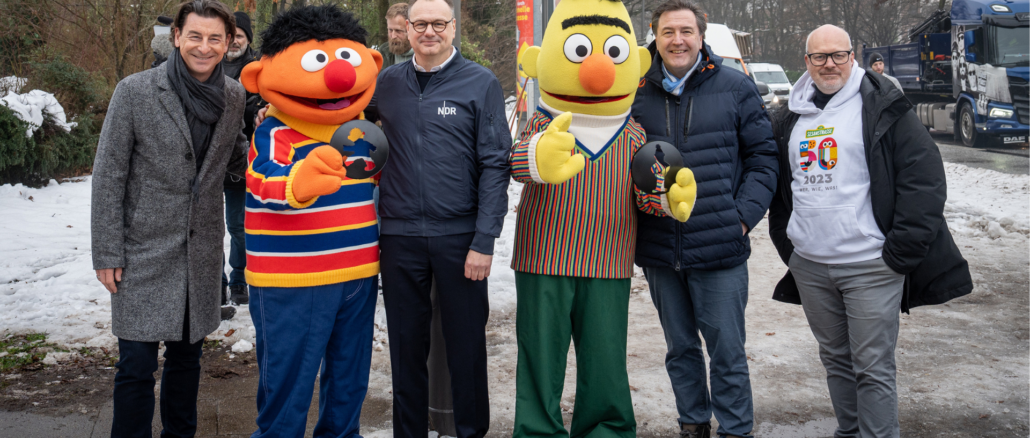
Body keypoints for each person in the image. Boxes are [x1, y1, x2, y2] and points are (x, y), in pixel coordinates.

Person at [768, 25, 973, 438]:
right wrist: (789, 247)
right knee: (836, 360)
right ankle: (850, 431)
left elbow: (925, 180)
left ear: (853, 57)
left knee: (872, 367)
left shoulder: (883, 105)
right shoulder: (790, 115)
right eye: (820, 57)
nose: (830, 64)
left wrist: (898, 253)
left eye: (839, 55)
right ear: (805, 62)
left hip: (870, 265)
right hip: (810, 265)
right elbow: (778, 185)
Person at [507, 1, 696, 436]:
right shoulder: (542, 122)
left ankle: (606, 428)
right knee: (539, 354)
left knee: (605, 356)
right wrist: (535, 156)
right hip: (541, 259)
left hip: (608, 259)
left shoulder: (634, 134)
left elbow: (644, 195)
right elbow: (515, 163)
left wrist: (668, 199)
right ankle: (537, 429)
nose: (598, 70)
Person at [90, 1, 249, 436]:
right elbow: (108, 175)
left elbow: (235, 156)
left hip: (199, 251)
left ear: (228, 43)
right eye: (195, 35)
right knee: (136, 365)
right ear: (176, 36)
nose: (204, 46)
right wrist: (107, 250)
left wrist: (275, 143)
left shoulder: (234, 95)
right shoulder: (135, 90)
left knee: (187, 361)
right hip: (142, 250)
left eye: (215, 38)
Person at [629, 1, 779, 437]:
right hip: (660, 247)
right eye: (668, 32)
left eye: (686, 31)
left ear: (701, 35)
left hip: (720, 244)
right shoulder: (635, 92)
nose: (677, 40)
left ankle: (736, 430)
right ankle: (692, 424)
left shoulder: (734, 87)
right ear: (654, 36)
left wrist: (742, 218)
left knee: (727, 352)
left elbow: (763, 159)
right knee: (680, 349)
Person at [238, 5, 385, 436]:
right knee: (288, 385)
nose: (337, 78)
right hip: (293, 280)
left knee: (349, 381)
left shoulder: (362, 129)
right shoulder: (274, 130)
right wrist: (297, 182)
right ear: (259, 77)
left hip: (357, 273)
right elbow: (260, 179)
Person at [365, 0, 511, 435]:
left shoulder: (479, 82)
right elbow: (341, 122)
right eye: (420, 24)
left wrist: (484, 241)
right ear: (405, 30)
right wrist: (269, 111)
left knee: (465, 349)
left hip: (460, 237)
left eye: (439, 24)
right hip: (399, 236)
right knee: (406, 349)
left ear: (453, 28)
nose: (430, 32)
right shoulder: (385, 84)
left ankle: (470, 431)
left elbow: (495, 165)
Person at [219, 10, 260, 306]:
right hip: (206, 159)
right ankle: (214, 281)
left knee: (238, 226)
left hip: (241, 161)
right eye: (230, 36)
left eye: (240, 37)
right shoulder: (206, 65)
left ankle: (238, 279)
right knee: (207, 226)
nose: (234, 42)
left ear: (247, 39)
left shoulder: (258, 71)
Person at [377, 2, 414, 69]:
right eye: (390, 30)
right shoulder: (383, 52)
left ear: (410, 29)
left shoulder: (423, 54)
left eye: (398, 31)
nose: (393, 36)